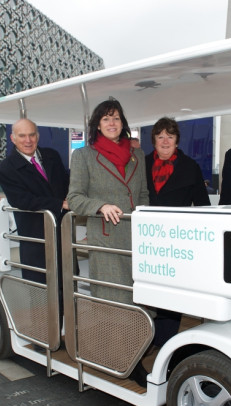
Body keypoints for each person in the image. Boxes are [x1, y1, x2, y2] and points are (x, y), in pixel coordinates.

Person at [67, 99, 148, 305]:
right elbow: (74, 198)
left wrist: (145, 223)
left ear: (123, 123)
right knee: (112, 297)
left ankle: (138, 337)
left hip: (136, 237)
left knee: (140, 297)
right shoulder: (83, 156)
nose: (112, 123)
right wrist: (101, 206)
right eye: (106, 119)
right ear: (98, 124)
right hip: (106, 238)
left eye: (116, 118)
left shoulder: (137, 155)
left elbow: (143, 195)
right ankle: (112, 337)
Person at [144, 117, 210, 349]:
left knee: (171, 295)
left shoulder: (190, 167)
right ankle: (147, 337)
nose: (164, 141)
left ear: (176, 141)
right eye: (160, 136)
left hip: (176, 242)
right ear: (153, 140)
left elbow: (203, 206)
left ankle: (165, 344)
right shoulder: (140, 165)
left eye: (169, 137)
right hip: (147, 241)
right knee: (147, 289)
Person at [0, 118, 70, 285]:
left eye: (31, 135)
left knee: (66, 284)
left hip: (62, 234)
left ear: (38, 136)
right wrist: (59, 204)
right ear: (13, 138)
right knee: (40, 289)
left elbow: (66, 183)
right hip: (36, 240)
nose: (28, 140)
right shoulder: (6, 168)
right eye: (22, 136)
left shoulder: (52, 155)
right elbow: (22, 200)